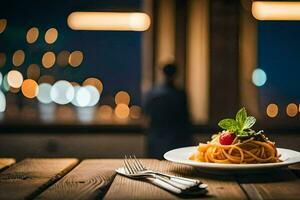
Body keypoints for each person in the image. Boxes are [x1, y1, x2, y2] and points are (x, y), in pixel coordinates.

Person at [143, 63, 193, 159]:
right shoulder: (180, 94)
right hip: (177, 140)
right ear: (176, 74)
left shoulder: (153, 94)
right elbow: (186, 119)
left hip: (157, 140)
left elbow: (146, 117)